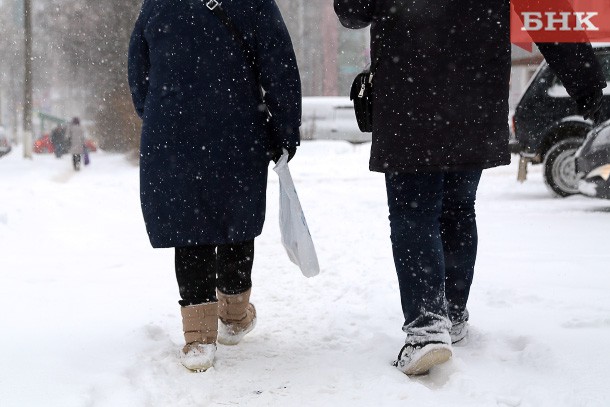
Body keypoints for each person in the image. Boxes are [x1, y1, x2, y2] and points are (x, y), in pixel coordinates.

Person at [334, 0, 606, 375]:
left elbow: (351, 11)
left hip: (409, 98)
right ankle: (451, 315)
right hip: (474, 99)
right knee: (458, 207)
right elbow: (546, 10)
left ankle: (428, 328)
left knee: (414, 213)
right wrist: (590, 91)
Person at [128, 0, 301, 372]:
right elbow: (279, 66)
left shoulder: (158, 5)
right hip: (237, 126)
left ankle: (198, 338)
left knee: (189, 227)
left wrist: (164, 112)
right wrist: (285, 127)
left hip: (173, 131)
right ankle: (235, 314)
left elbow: (138, 71)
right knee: (236, 217)